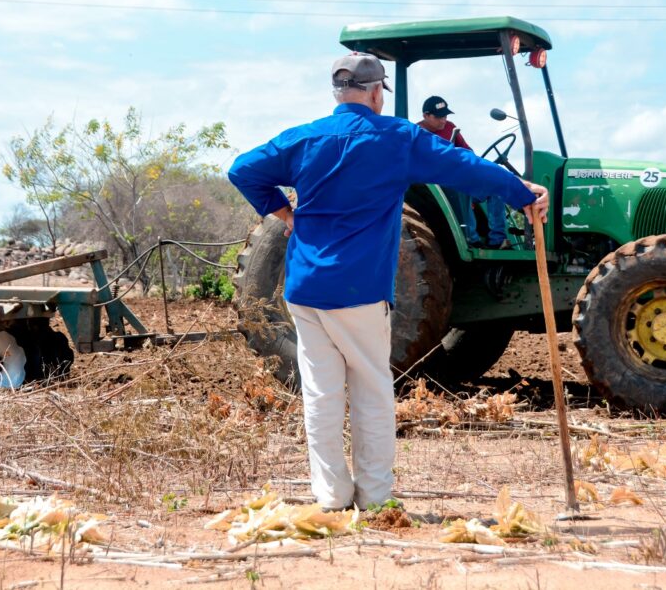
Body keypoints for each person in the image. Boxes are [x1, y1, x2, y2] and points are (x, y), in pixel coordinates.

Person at [228, 52, 548, 511]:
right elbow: (466, 168)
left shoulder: (304, 138)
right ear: (377, 93)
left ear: (338, 93)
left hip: (304, 291)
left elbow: (242, 168)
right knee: (372, 391)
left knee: (320, 393)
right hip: (358, 290)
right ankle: (375, 497)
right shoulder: (396, 137)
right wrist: (522, 193)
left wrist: (284, 213)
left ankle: (332, 496)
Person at [418, 96, 511, 249]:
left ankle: (497, 240)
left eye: (445, 116)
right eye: (438, 117)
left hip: (460, 180)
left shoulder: (450, 127)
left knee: (496, 187)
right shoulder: (418, 133)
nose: (443, 120)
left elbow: (468, 152)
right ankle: (471, 239)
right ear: (426, 116)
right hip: (439, 187)